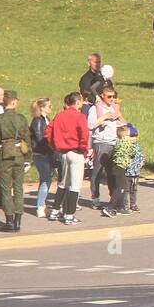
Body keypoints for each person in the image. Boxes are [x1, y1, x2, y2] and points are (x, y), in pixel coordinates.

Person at [45, 92, 90, 225]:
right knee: (75, 185)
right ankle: (69, 215)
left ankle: (54, 210)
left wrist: (55, 145)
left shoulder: (59, 115)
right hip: (76, 152)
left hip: (63, 152)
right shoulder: (80, 116)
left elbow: (48, 132)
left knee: (63, 183)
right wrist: (83, 149)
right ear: (77, 102)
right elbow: (84, 134)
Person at [0, 90, 31, 233]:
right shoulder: (21, 118)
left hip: (4, 156)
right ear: (14, 102)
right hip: (20, 154)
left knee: (6, 189)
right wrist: (28, 159)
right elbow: (27, 138)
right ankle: (17, 221)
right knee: (19, 188)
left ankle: (9, 221)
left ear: (4, 102)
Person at [88, 85, 125, 205]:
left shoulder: (114, 107)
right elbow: (90, 125)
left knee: (112, 172)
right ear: (102, 96)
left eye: (114, 96)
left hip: (114, 142)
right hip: (101, 143)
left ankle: (113, 197)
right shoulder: (95, 109)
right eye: (109, 97)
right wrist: (105, 116)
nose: (112, 99)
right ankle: (95, 197)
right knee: (97, 171)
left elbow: (123, 122)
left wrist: (121, 121)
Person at [29, 98, 55, 219]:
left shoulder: (46, 119)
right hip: (41, 154)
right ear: (42, 107)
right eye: (49, 106)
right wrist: (50, 151)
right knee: (46, 179)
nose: (51, 107)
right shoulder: (37, 121)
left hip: (46, 153)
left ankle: (42, 204)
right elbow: (40, 139)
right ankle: (40, 207)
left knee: (45, 179)